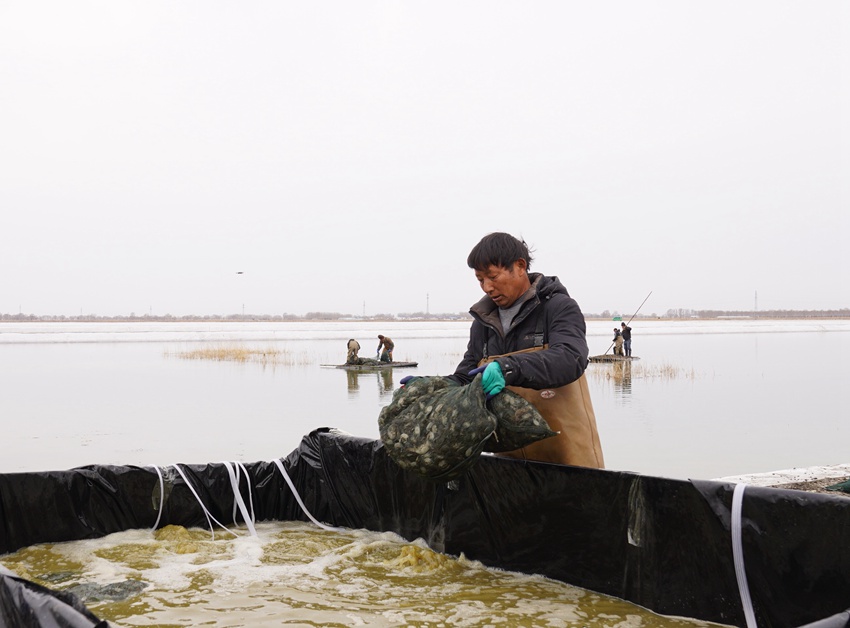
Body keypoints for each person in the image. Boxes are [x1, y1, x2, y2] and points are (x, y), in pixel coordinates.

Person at [448, 232, 604, 468]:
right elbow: (465, 377)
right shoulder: (483, 324)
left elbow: (571, 358)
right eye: (480, 280)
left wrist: (508, 368)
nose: (487, 287)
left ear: (520, 266)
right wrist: (432, 387)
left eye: (492, 276)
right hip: (509, 464)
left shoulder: (559, 308)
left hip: (570, 458)